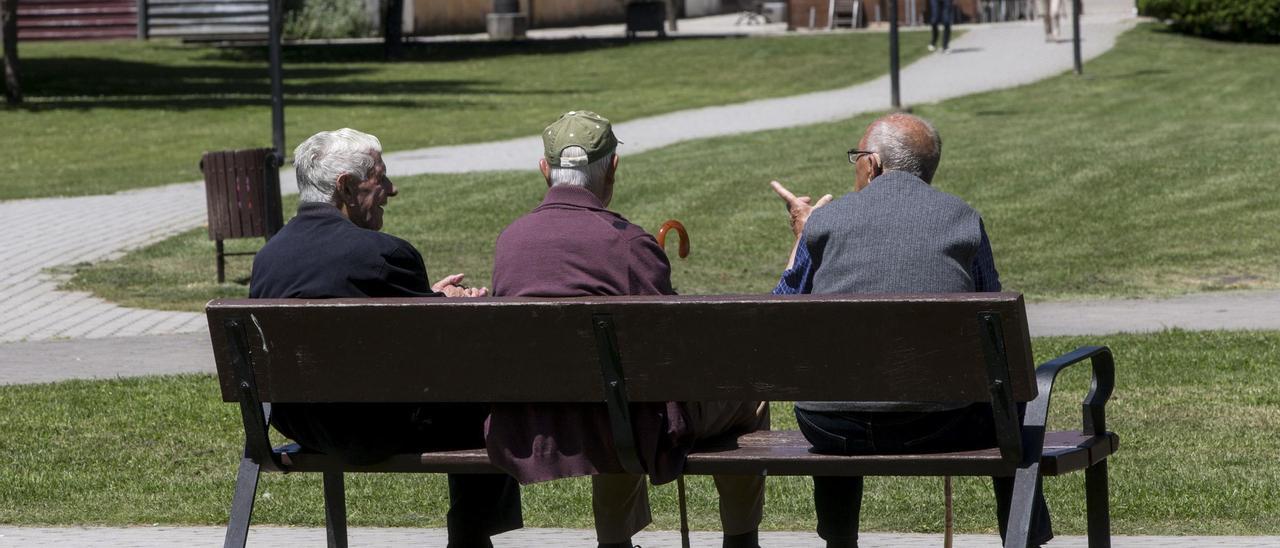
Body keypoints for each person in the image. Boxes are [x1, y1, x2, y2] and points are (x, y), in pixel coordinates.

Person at [485, 111, 770, 548]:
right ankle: (740, 538)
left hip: (537, 422)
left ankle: (614, 543)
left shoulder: (510, 241)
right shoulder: (629, 245)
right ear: (613, 167)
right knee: (748, 393)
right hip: (622, 424)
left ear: (545, 170)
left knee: (616, 401)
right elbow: (671, 353)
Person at [769, 113, 1053, 548]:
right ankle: (1023, 539)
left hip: (831, 425)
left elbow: (778, 316)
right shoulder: (962, 217)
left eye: (856, 158)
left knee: (841, 377)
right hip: (944, 423)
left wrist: (802, 237)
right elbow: (990, 314)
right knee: (1010, 405)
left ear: (874, 163)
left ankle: (838, 539)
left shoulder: (825, 222)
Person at [249, 128, 521, 548]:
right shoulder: (385, 255)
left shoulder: (269, 259)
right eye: (381, 177)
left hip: (299, 421)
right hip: (368, 428)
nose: (392, 190)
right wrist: (445, 304)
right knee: (481, 397)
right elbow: (443, 347)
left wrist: (429, 297)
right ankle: (470, 538)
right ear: (346, 186)